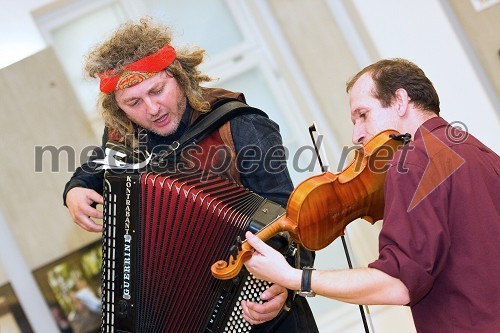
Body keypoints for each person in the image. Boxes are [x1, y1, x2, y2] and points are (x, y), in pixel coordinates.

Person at [63, 17, 317, 332]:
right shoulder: (123, 137)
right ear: (117, 108)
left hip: (260, 310)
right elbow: (98, 164)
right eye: (134, 102)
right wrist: (74, 190)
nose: (152, 108)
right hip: (174, 313)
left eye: (157, 90)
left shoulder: (240, 124)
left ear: (179, 75)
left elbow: (293, 219)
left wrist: (288, 282)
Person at [243, 58, 500, 332]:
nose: (357, 135)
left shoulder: (413, 160)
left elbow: (398, 283)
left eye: (363, 115)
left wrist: (294, 277)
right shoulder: (479, 152)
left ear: (400, 100)